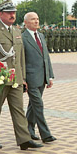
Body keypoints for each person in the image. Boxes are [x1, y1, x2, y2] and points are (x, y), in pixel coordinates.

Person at [0, 0, 42, 151]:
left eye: (14, 13)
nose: (12, 15)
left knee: (18, 109)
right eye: (9, 13)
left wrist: (22, 78)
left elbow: (21, 57)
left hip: (16, 78)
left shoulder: (17, 31)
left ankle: (24, 139)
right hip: (1, 76)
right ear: (1, 14)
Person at [21, 12, 56, 143]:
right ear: (26, 23)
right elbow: (21, 61)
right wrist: (23, 79)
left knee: (33, 106)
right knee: (38, 105)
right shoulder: (23, 38)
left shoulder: (41, 36)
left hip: (42, 77)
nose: (36, 21)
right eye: (33, 19)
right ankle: (45, 134)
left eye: (37, 19)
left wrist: (50, 76)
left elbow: (46, 57)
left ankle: (28, 130)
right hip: (31, 78)